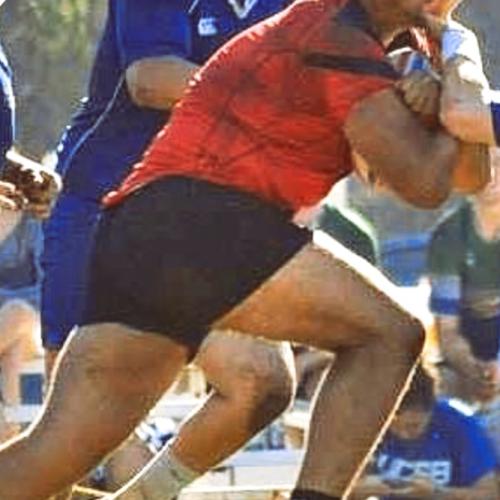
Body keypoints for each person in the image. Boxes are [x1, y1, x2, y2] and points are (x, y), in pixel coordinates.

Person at [0, 0, 487, 499]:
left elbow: (467, 175)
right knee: (390, 334)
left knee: (56, 453)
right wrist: (455, 80)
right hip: (200, 219)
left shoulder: (392, 44)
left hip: (148, 228)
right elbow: (425, 183)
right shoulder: (337, 32)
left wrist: (445, 97)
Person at [41, 1, 297, 498]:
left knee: (261, 380)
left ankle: (143, 495)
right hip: (105, 204)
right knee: (73, 437)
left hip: (201, 218)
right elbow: (151, 79)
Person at [427, 148, 500, 457]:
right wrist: (473, 369)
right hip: (467, 353)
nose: (492, 174)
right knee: (435, 394)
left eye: (499, 164)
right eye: (483, 165)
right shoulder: (449, 235)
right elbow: (447, 329)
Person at [352, 365, 498, 499]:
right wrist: (358, 489)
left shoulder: (461, 425)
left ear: (430, 411)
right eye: (393, 426)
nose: (403, 434)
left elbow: (490, 495)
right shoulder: (368, 422)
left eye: (413, 426)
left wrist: (437, 493)